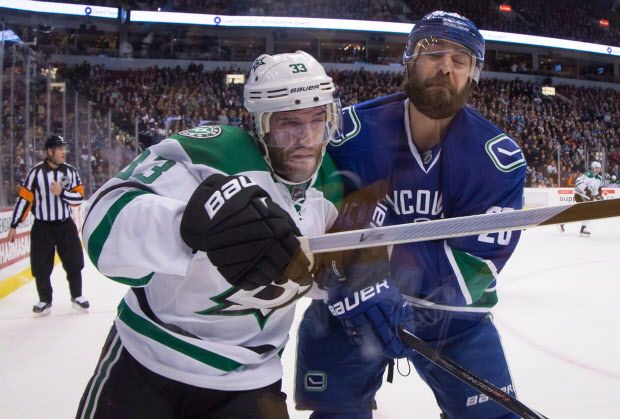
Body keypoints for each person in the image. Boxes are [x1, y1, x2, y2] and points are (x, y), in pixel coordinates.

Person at [76, 51, 343, 419]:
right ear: (261, 124)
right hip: (147, 364)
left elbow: (325, 277)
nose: (307, 139)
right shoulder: (212, 154)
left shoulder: (334, 187)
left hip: (251, 384)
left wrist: (355, 280)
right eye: (288, 122)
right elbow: (103, 223)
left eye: (318, 120)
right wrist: (189, 225)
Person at [295, 11, 527, 418]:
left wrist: (379, 256)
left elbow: (474, 271)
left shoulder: (498, 160)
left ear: (474, 73)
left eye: (461, 60)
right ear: (409, 59)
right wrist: (360, 279)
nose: (445, 66)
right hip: (350, 308)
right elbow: (313, 221)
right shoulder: (348, 134)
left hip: (452, 321)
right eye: (432, 52)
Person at [8, 135, 88, 317]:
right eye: (59, 149)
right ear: (50, 151)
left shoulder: (69, 172)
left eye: (64, 149)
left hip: (65, 224)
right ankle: (45, 300)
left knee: (74, 261)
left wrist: (62, 193)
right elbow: (24, 199)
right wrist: (14, 224)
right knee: (40, 265)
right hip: (43, 226)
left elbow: (78, 198)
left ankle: (77, 296)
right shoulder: (35, 173)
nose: (63, 152)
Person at [559, 161, 604, 236]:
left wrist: (597, 196)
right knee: (585, 213)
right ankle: (579, 229)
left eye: (599, 168)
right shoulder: (587, 175)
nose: (598, 170)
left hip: (588, 197)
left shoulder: (599, 178)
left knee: (584, 213)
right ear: (593, 168)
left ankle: (563, 223)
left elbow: (595, 189)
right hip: (580, 195)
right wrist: (586, 192)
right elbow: (578, 183)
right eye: (596, 168)